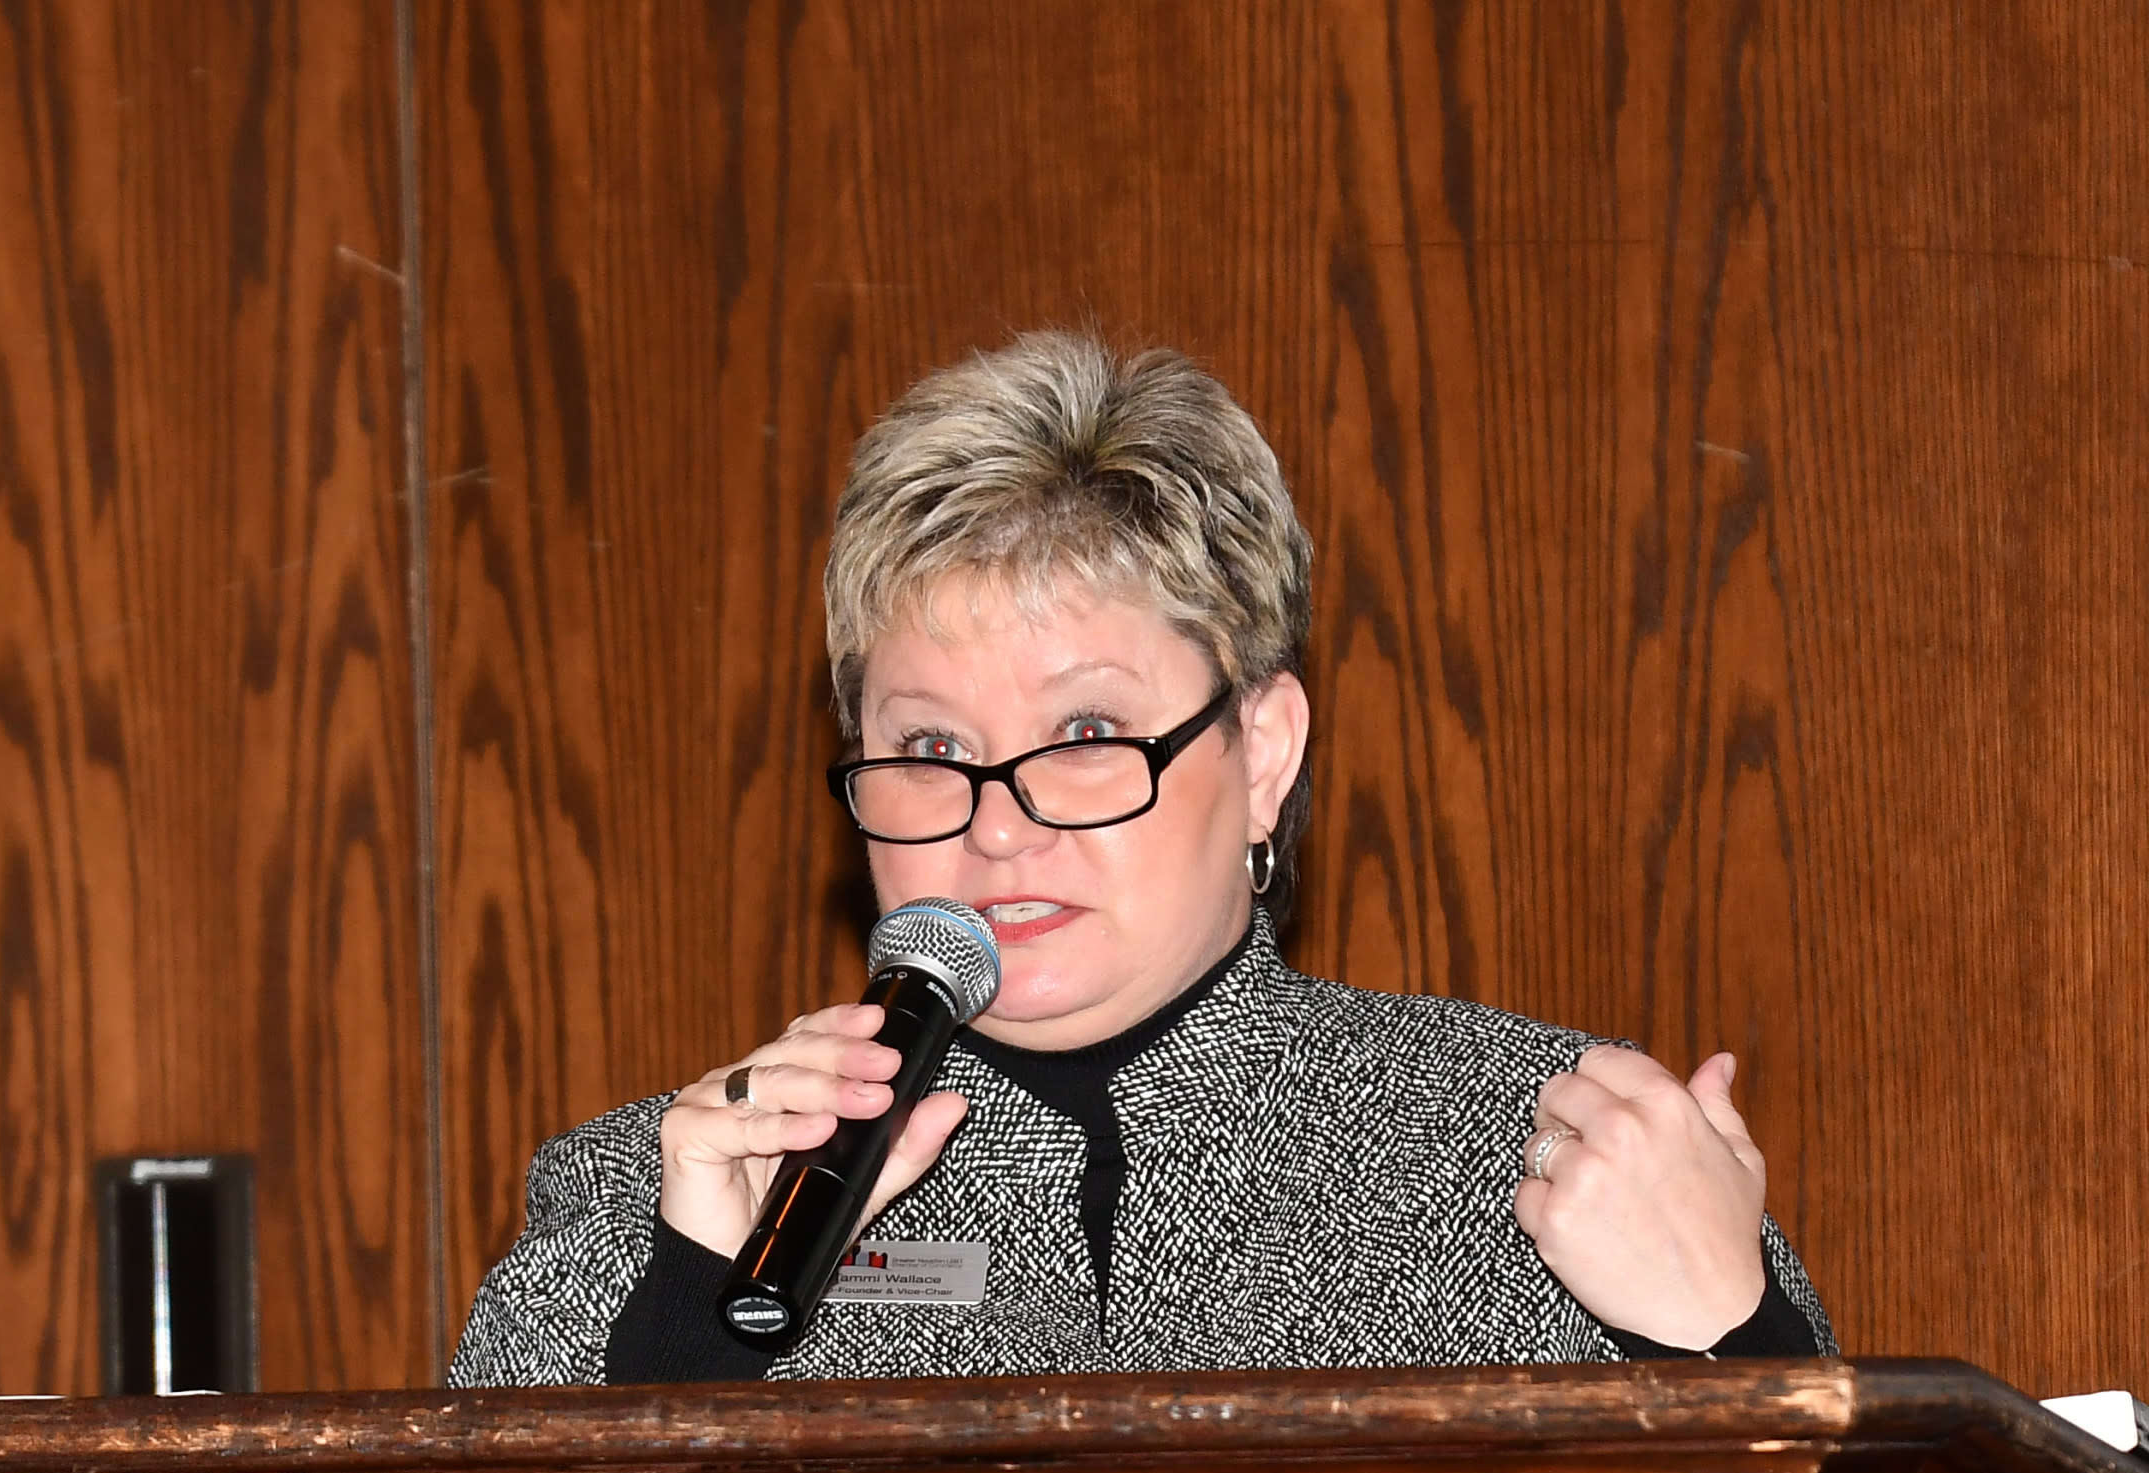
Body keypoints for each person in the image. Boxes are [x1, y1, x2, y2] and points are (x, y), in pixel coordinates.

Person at [448, 331, 1833, 1387]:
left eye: (1085, 733)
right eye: (929, 747)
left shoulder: (1542, 1150)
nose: (996, 824)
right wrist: (695, 1313)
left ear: (1262, 751)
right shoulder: (657, 1196)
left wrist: (1731, 1336)